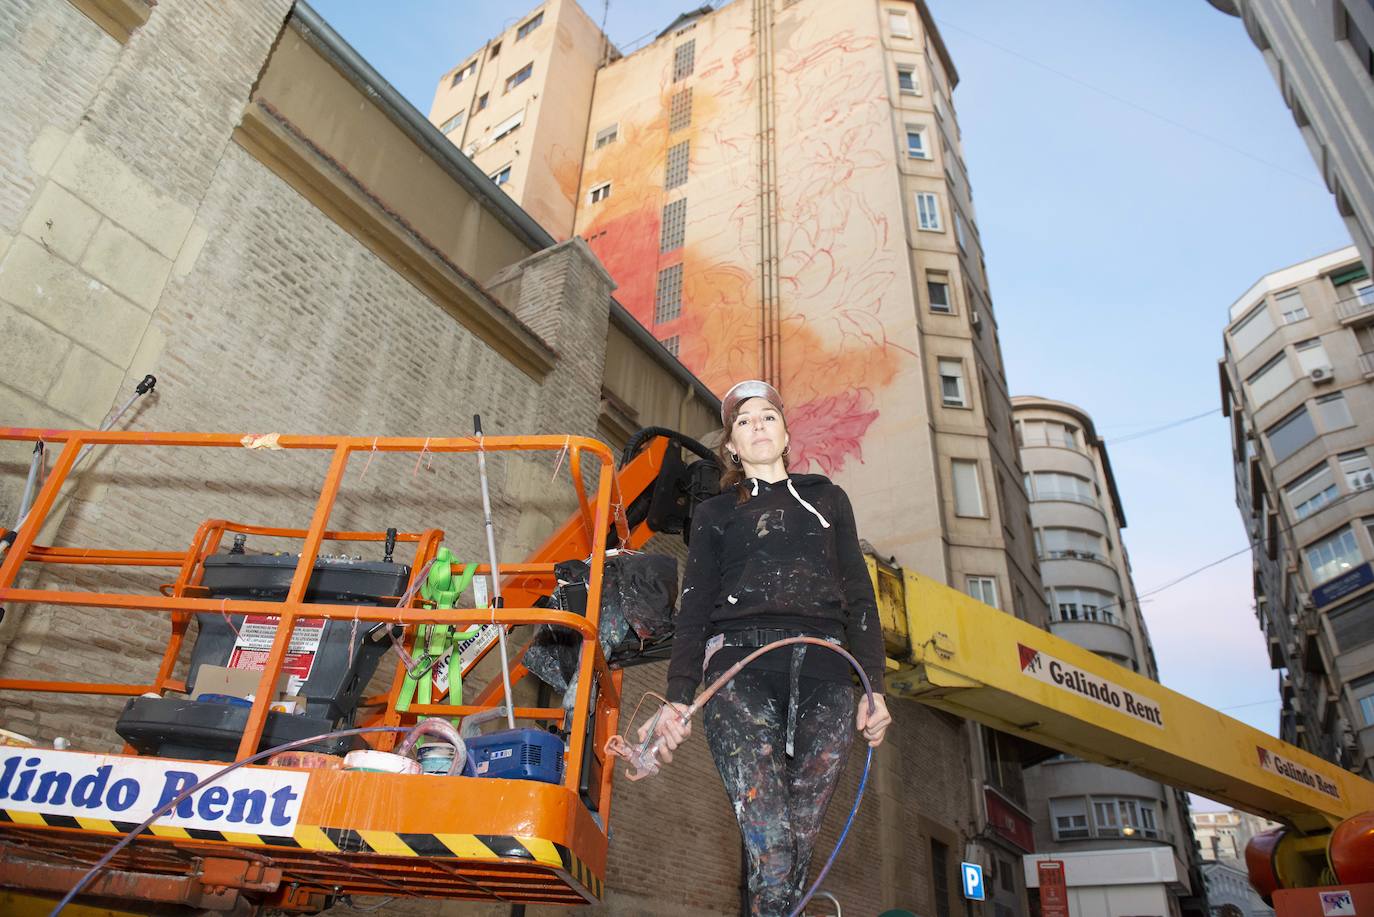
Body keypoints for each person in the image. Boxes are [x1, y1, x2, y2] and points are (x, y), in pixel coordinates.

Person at [643, 379, 892, 916]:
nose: (757, 425)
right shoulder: (714, 513)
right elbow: (694, 605)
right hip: (740, 672)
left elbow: (859, 594)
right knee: (773, 846)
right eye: (744, 420)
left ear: (785, 433)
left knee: (796, 850)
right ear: (731, 445)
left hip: (828, 672)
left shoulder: (827, 497)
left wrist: (874, 689)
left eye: (768, 417)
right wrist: (678, 695)